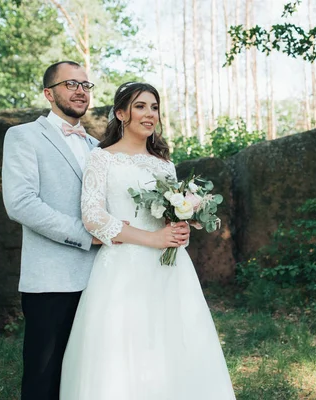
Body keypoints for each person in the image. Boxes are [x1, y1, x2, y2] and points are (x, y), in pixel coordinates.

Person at [2, 62, 192, 399]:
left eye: (86, 85)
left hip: (108, 277)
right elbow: (21, 204)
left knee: (97, 372)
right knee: (43, 374)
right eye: (70, 84)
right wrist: (88, 233)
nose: (80, 91)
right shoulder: (23, 136)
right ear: (49, 93)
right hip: (54, 277)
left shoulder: (97, 147)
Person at [60, 82, 236, 399]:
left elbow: (170, 215)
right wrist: (152, 239)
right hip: (122, 266)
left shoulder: (164, 163)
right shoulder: (101, 158)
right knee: (125, 345)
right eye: (140, 106)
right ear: (121, 113)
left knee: (175, 341)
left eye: (154, 107)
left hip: (170, 268)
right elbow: (93, 217)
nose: (149, 114)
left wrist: (185, 224)